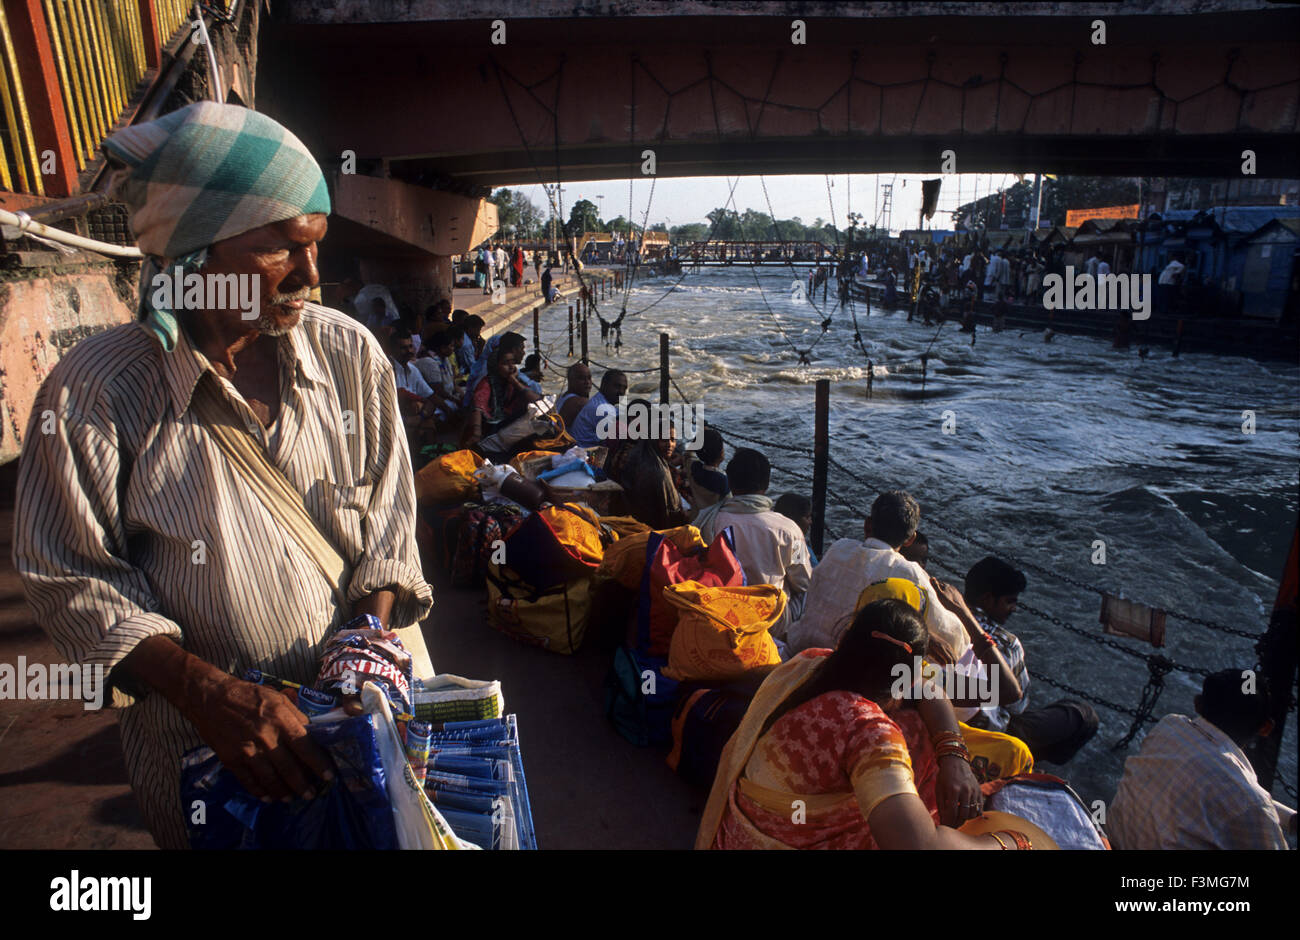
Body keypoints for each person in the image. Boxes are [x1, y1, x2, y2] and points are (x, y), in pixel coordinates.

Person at [12, 102, 432, 850]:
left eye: (317, 245)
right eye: (282, 248)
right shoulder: (94, 392)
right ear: (190, 255)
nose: (310, 274)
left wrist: (366, 644)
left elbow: (390, 525)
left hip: (366, 723)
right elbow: (69, 576)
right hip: (207, 759)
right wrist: (209, 695)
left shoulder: (351, 356)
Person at [698, 600, 1036, 850]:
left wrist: (952, 753)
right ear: (912, 670)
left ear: (847, 638)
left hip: (737, 837)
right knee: (917, 728)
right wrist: (1014, 841)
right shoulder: (870, 731)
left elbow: (928, 689)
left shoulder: (807, 664)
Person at [1109, 670, 1295, 850]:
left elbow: (1223, 796)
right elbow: (1240, 802)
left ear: (1198, 704)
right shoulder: (1248, 799)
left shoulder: (1169, 726)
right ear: (1266, 728)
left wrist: (1287, 818)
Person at [788, 491, 970, 662]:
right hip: (840, 665)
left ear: (868, 524)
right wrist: (961, 610)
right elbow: (954, 641)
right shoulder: (909, 573)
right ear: (910, 539)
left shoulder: (840, 547)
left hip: (798, 648)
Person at [962, 557, 1098, 764]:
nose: (1014, 609)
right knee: (1083, 715)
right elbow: (1018, 706)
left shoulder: (943, 617)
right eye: (1010, 601)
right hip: (993, 732)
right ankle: (1028, 761)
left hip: (953, 718)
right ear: (988, 599)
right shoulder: (1006, 643)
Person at [693, 448, 812, 632]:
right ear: (766, 484)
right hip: (771, 622)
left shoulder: (709, 521)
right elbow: (804, 582)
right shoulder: (788, 529)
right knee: (808, 591)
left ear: (730, 482)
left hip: (721, 616)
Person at [606, 399, 688, 530]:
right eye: (664, 439)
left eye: (673, 440)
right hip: (650, 529)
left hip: (630, 518)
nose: (670, 444)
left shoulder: (638, 451)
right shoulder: (657, 472)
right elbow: (670, 513)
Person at [461, 332, 541, 452]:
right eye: (505, 363)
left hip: (506, 426)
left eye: (512, 363)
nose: (510, 367)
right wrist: (476, 433)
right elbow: (478, 407)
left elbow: (536, 400)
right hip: (490, 431)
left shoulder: (512, 381)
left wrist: (514, 381)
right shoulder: (486, 383)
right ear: (495, 366)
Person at [569, 369, 628, 448]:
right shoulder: (603, 410)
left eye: (624, 388)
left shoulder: (599, 400)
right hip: (584, 453)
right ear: (604, 385)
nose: (621, 391)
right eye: (617, 386)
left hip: (578, 449)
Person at [685, 426, 729, 519]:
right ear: (721, 452)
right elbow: (730, 505)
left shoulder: (693, 467)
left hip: (694, 519)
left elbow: (688, 454)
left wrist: (699, 438)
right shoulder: (723, 480)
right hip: (711, 526)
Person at [773, 493, 818, 567]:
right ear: (793, 519)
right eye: (807, 517)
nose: (810, 522)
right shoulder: (797, 543)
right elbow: (801, 575)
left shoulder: (767, 535)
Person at [555, 362, 593, 430]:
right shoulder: (579, 402)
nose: (587, 382)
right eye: (581, 378)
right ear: (570, 380)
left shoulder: (563, 396)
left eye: (589, 378)